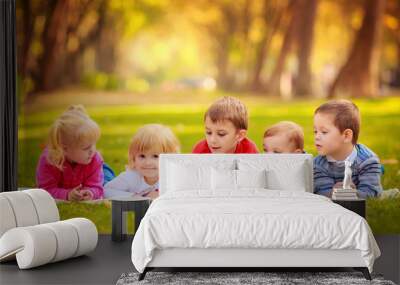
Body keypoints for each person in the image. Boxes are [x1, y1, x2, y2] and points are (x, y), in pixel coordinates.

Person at [313, 100, 382, 198]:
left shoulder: (368, 161)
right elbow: (321, 192)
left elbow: (371, 193)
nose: (317, 137)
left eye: (324, 132)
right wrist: (333, 193)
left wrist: (352, 194)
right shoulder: (318, 164)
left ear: (346, 135)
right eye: (315, 131)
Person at [36, 105, 104, 201]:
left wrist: (90, 192)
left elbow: (97, 187)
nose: (93, 150)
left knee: (108, 179)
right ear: (65, 149)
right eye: (86, 148)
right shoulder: (49, 161)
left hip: (101, 170)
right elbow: (45, 190)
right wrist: (67, 195)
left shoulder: (94, 158)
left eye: (94, 144)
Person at [104, 124, 180, 200]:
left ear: (169, 158)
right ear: (134, 158)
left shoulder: (172, 178)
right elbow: (106, 191)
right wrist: (136, 197)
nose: (148, 162)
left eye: (155, 156)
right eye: (142, 156)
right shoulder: (131, 177)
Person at [192, 96, 258, 153]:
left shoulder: (249, 151)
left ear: (240, 135)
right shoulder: (200, 151)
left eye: (221, 134)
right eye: (209, 132)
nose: (212, 140)